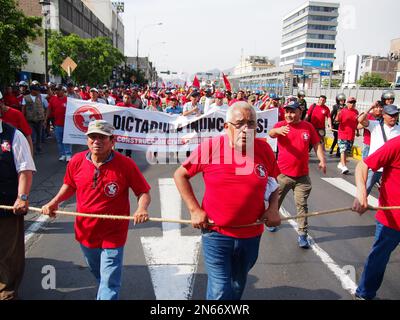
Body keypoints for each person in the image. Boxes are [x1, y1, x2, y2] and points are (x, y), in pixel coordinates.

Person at [174, 102, 281, 300]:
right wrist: (194, 209)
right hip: (216, 234)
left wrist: (273, 208)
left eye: (251, 123)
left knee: (237, 284)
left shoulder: (264, 149)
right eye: (239, 123)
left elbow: (274, 182)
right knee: (220, 289)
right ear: (226, 127)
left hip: (251, 235)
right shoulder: (211, 147)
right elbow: (180, 175)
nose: (246, 129)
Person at [41, 120, 151, 300]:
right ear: (87, 140)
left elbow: (143, 192)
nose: (96, 141)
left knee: (109, 281)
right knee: (99, 273)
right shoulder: (76, 160)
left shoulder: (126, 164)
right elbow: (69, 185)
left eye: (102, 138)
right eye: (92, 137)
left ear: (112, 140)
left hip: (113, 232)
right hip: (86, 230)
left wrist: (142, 208)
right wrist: (54, 202)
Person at [269, 101, 326, 248]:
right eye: (287, 111)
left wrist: (322, 160)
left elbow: (316, 143)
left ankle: (302, 234)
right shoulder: (280, 125)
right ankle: (272, 220)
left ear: (300, 112)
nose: (289, 114)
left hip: (302, 177)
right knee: (275, 202)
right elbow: (271, 133)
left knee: (302, 205)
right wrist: (277, 131)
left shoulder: (308, 127)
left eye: (293, 111)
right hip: (283, 175)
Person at [352, 135, 400, 300]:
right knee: (378, 258)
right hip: (392, 220)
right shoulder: (396, 144)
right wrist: (361, 193)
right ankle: (364, 294)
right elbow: (362, 165)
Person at [0, 119, 36, 300]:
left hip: (6, 205)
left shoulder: (14, 135)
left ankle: (7, 293)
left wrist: (22, 197)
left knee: (7, 253)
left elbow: (25, 169)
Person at [358, 104, 400, 194]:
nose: (393, 118)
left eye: (395, 115)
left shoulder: (399, 128)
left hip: (391, 169)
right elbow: (360, 120)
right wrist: (371, 107)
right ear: (383, 115)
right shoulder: (375, 125)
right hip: (375, 168)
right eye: (391, 115)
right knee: (364, 192)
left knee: (390, 194)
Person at [46, 85, 72, 162]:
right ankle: (62, 154)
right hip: (57, 124)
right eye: (56, 90)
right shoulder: (53, 99)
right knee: (59, 140)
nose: (57, 91)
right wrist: (45, 119)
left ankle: (68, 154)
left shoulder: (68, 100)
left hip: (67, 124)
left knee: (67, 140)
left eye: (58, 90)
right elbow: (49, 109)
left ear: (63, 91)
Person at [336, 97, 359, 175]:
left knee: (347, 151)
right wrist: (338, 114)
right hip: (342, 134)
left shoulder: (356, 112)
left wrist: (357, 131)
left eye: (354, 103)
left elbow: (356, 123)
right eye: (351, 102)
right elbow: (337, 120)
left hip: (351, 135)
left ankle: (341, 163)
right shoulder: (343, 111)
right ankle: (344, 166)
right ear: (347, 103)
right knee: (343, 150)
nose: (352, 104)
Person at [21, 84, 46, 155]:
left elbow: (47, 106)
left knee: (39, 135)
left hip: (40, 119)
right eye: (36, 90)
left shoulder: (41, 97)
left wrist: (45, 118)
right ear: (32, 90)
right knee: (32, 136)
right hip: (30, 119)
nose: (38, 91)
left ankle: (38, 149)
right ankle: (30, 149)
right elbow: (23, 108)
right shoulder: (25, 98)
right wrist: (23, 118)